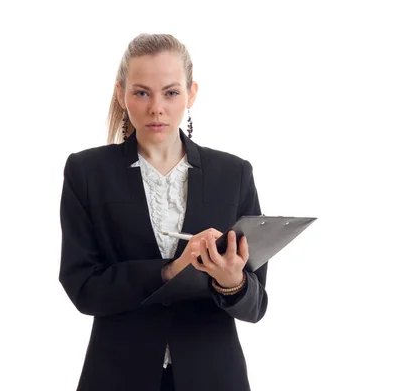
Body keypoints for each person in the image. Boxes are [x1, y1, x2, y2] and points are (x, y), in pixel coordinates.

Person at [59, 33, 268, 391]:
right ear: (121, 93)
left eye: (171, 92)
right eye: (142, 92)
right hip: (117, 375)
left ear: (191, 93)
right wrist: (170, 270)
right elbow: (83, 287)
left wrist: (232, 283)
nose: (157, 107)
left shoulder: (233, 174)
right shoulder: (86, 172)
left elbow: (256, 305)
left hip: (214, 376)